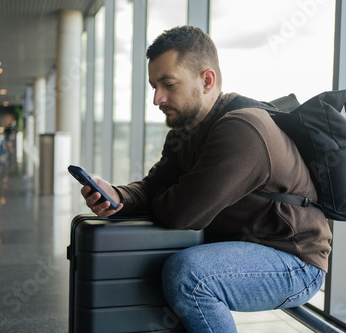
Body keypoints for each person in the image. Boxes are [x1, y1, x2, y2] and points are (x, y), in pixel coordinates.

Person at [80, 25, 332, 333]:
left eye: (168, 84)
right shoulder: (185, 131)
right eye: (153, 86)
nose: (157, 98)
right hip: (242, 246)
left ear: (207, 80)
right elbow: (154, 187)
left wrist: (170, 197)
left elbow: (183, 213)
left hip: (293, 260)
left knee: (190, 275)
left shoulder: (243, 129)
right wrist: (118, 196)